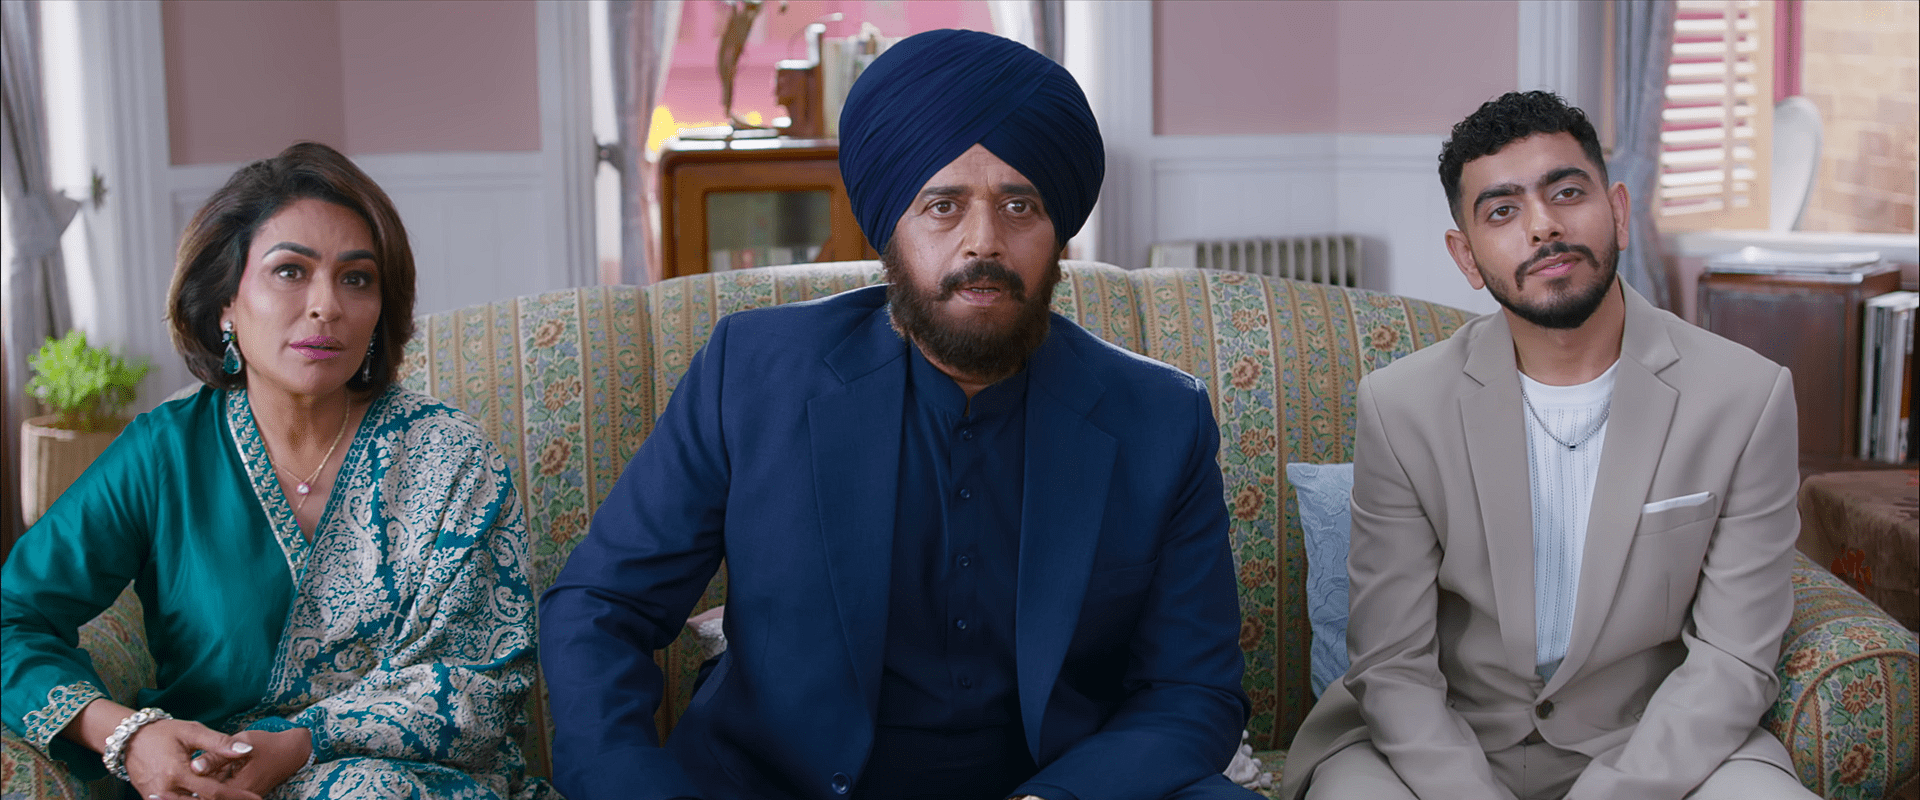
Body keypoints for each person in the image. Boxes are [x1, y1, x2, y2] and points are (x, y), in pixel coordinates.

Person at [539, 29, 1254, 800]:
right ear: (891, 229)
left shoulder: (1159, 419)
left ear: (1059, 232)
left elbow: (1194, 691)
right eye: (942, 205)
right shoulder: (753, 373)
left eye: (1020, 205)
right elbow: (602, 607)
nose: (984, 242)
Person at [1278, 91, 1811, 800]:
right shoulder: (1402, 406)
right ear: (1466, 256)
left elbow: (1733, 660)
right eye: (1502, 211)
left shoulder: (1747, 396)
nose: (1544, 227)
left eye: (1566, 192)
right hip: (1435, 744)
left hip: (1655, 744)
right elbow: (1394, 664)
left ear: (1616, 210)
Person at [1, 142, 556, 800]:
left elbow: (483, 682)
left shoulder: (450, 455)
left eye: (357, 278)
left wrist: (303, 745)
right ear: (226, 303)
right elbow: (13, 617)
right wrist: (128, 733)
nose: (327, 305)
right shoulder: (164, 454)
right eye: (290, 272)